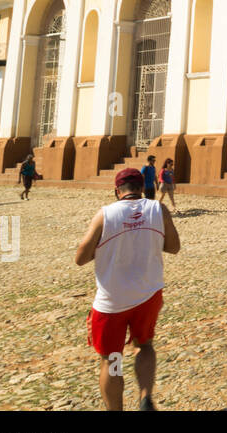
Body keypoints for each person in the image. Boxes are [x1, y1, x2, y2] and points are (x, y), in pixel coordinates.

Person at [74, 166, 181, 411]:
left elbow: (80, 257)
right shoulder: (158, 209)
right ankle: (145, 397)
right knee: (145, 345)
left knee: (112, 359)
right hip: (148, 294)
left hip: (112, 301)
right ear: (142, 188)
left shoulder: (105, 214)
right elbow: (174, 247)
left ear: (116, 191)